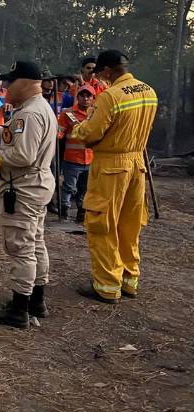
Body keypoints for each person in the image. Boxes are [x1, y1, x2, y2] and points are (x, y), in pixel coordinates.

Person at [70, 50, 157, 303]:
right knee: (130, 225)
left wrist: (78, 127)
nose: (100, 79)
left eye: (100, 73)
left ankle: (107, 285)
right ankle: (130, 280)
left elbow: (90, 133)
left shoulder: (110, 96)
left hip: (111, 165)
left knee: (103, 224)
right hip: (137, 163)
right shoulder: (149, 91)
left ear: (107, 71)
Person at [0, 61, 57, 329]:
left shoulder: (28, 114)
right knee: (36, 241)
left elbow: (22, 155)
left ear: (25, 82)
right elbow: (17, 141)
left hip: (24, 187)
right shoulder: (38, 109)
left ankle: (19, 308)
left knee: (21, 247)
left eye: (10, 82)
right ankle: (36, 300)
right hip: (36, 184)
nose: (5, 87)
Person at [56, 85, 95, 223]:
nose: (85, 99)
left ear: (92, 98)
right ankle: (64, 212)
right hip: (72, 159)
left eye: (88, 96)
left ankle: (81, 212)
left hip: (90, 159)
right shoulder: (68, 113)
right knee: (69, 187)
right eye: (82, 96)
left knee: (85, 189)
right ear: (77, 97)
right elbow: (59, 132)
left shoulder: (95, 114)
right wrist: (57, 135)